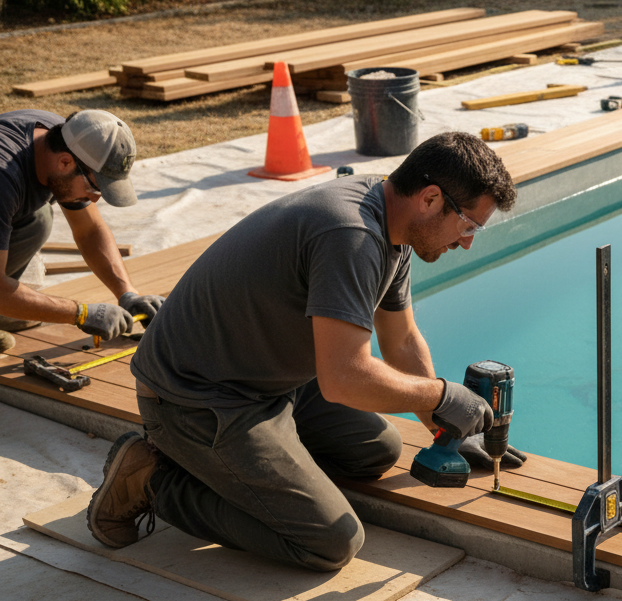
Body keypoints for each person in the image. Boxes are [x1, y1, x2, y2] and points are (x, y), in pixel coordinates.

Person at [85, 132, 525, 572]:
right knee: (331, 541)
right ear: (430, 198)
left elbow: (401, 339)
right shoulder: (351, 234)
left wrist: (443, 428)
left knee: (376, 451)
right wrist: (441, 396)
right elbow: (343, 378)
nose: (467, 241)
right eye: (468, 225)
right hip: (196, 396)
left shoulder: (395, 222)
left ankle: (253, 469)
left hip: (267, 377)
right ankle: (153, 482)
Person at [0, 109, 161, 353]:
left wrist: (127, 294)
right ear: (65, 162)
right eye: (94, 188)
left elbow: (89, 231)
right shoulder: (4, 179)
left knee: (38, 220)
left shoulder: (64, 138)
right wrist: (80, 313)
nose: (94, 200)